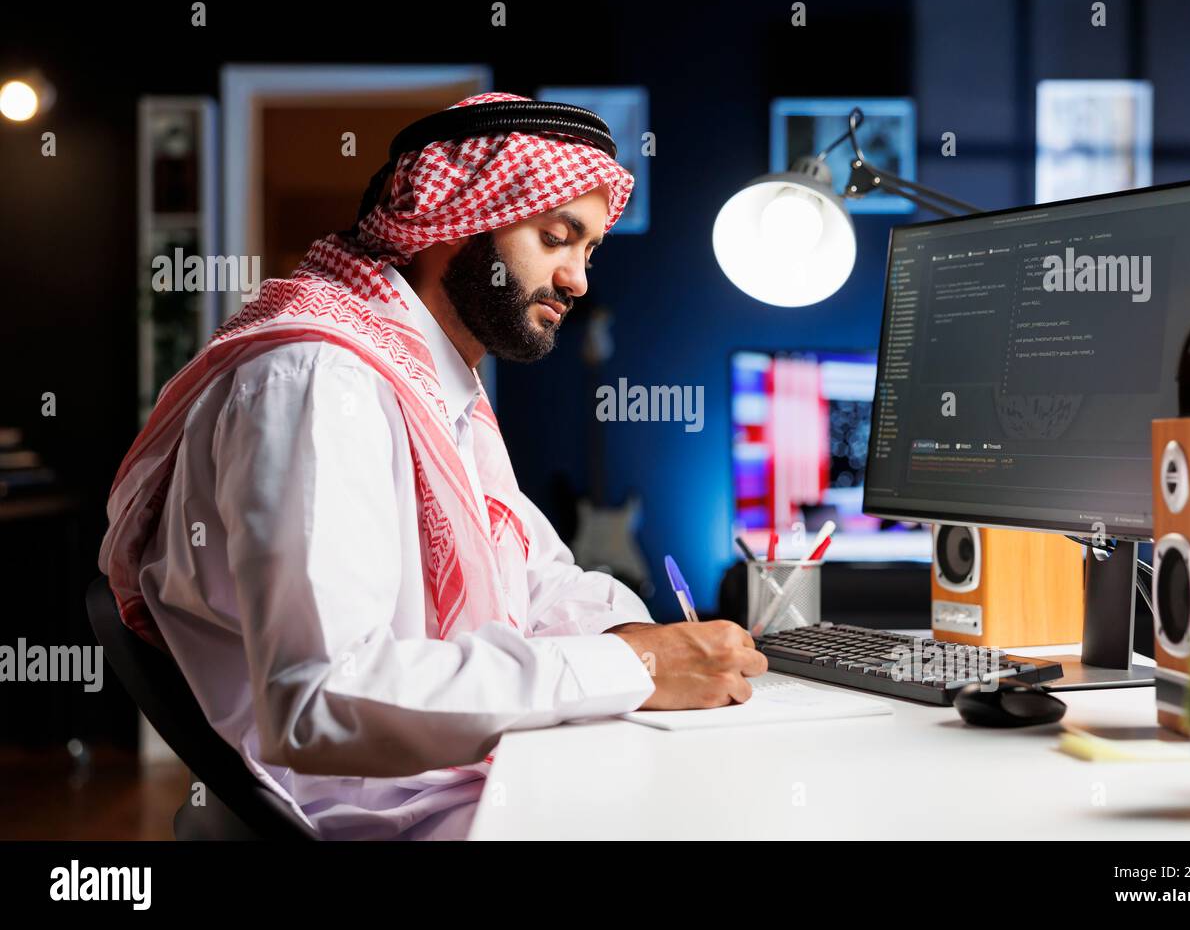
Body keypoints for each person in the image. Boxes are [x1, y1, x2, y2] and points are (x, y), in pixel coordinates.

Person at [98, 92, 766, 839]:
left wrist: (666, 647)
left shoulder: (430, 385)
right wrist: (631, 671)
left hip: (444, 786)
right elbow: (322, 699)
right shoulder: (321, 379)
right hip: (376, 814)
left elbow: (538, 578)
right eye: (555, 237)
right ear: (457, 222)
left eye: (588, 250)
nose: (577, 279)